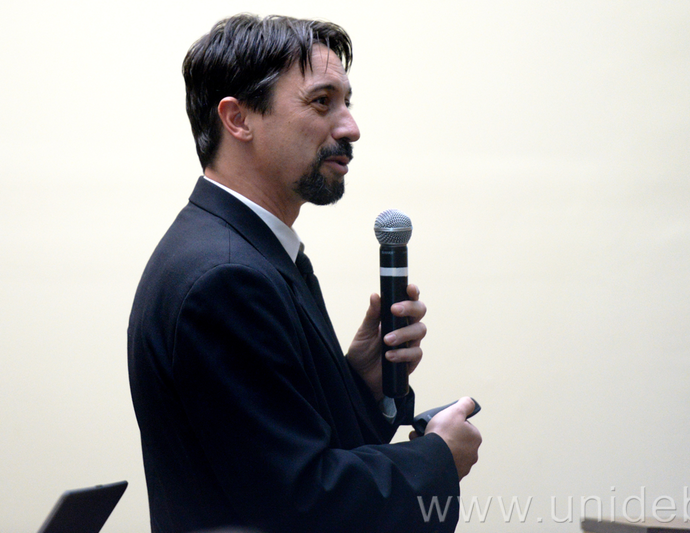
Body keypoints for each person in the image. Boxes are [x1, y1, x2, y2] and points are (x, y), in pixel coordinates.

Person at [127, 13, 482, 533]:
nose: (351, 127)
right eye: (321, 102)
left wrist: (359, 383)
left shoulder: (252, 252)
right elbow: (300, 504)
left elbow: (281, 455)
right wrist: (437, 459)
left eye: (347, 102)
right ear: (238, 119)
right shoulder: (225, 278)